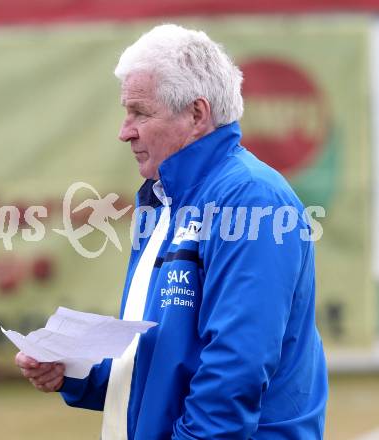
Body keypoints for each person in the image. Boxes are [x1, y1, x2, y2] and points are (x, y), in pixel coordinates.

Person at [16, 24, 328, 439]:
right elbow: (164, 361)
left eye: (140, 113)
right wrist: (74, 371)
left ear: (197, 115)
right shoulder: (166, 199)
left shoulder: (250, 198)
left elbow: (236, 368)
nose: (125, 130)